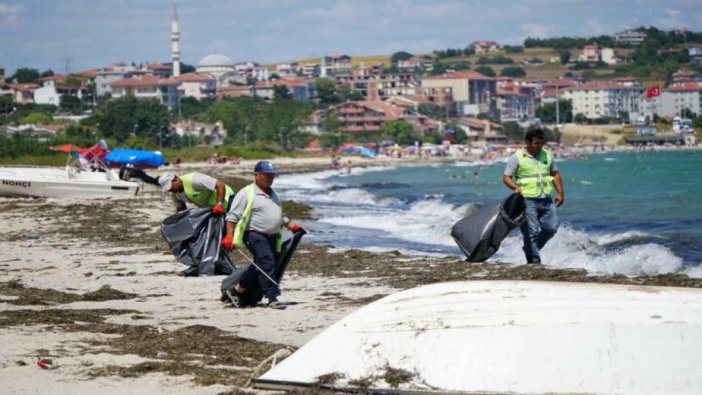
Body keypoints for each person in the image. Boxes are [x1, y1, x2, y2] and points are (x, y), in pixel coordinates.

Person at [220, 161, 303, 309]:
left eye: (272, 175)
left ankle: (237, 290)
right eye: (267, 175)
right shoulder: (246, 193)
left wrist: (290, 225)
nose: (270, 178)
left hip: (272, 236)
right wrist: (229, 236)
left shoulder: (274, 193)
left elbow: (277, 214)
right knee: (266, 260)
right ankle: (272, 298)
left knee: (261, 264)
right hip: (254, 234)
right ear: (256, 175)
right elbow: (232, 216)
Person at [502, 129, 565, 264]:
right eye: (536, 143)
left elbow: (555, 174)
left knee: (551, 228)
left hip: (546, 199)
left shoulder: (547, 155)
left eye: (542, 143)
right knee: (532, 230)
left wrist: (560, 193)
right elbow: (506, 177)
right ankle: (534, 259)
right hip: (527, 199)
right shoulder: (517, 157)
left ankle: (530, 249)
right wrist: (516, 188)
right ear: (527, 142)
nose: (539, 146)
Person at [159, 172, 233, 214]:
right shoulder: (175, 194)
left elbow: (220, 185)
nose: (170, 190)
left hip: (227, 199)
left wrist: (219, 204)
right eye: (168, 189)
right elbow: (181, 210)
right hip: (212, 209)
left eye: (170, 186)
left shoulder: (194, 180)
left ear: (176, 179)